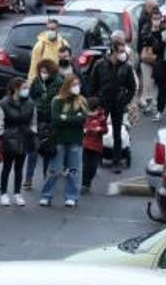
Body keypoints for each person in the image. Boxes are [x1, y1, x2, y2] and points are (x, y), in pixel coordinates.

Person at [42, 75, 86, 208]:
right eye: (73, 84)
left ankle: (72, 196)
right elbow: (56, 119)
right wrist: (73, 118)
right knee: (54, 170)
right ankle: (46, 196)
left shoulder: (82, 101)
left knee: (73, 170)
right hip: (59, 139)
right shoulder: (57, 100)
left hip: (75, 140)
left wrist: (65, 117)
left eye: (78, 84)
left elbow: (82, 119)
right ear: (67, 86)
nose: (76, 87)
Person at [89, 45, 134, 169]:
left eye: (123, 51)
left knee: (117, 132)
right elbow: (92, 84)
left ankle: (116, 161)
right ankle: (96, 157)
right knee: (98, 130)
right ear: (113, 52)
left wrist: (125, 100)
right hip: (103, 102)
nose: (123, 54)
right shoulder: (100, 65)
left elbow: (132, 88)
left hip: (118, 104)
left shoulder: (126, 67)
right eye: (120, 52)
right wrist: (95, 101)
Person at [0, 77, 34, 206]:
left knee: (19, 167)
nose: (27, 90)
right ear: (16, 89)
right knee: (6, 167)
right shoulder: (4, 103)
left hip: (24, 137)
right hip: (9, 138)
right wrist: (2, 135)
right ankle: (4, 194)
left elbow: (34, 120)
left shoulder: (30, 103)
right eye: (24, 88)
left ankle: (17, 193)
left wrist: (32, 133)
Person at [26, 59, 62, 188]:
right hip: (37, 120)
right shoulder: (36, 81)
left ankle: (46, 176)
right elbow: (30, 97)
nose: (43, 74)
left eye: (46, 72)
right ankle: (28, 178)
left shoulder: (58, 82)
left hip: (51, 121)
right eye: (41, 71)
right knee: (33, 151)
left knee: (48, 150)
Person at [27, 18, 70, 83]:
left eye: (52, 29)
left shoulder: (64, 44)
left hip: (60, 80)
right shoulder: (40, 45)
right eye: (48, 29)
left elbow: (68, 64)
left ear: (57, 29)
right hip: (45, 80)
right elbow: (34, 66)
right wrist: (32, 82)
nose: (50, 31)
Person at [81, 98, 107, 189]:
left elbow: (105, 129)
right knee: (85, 165)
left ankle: (88, 181)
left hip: (96, 146)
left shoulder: (102, 117)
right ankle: (85, 183)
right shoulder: (84, 116)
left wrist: (100, 130)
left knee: (93, 167)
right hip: (85, 144)